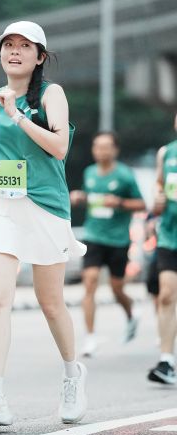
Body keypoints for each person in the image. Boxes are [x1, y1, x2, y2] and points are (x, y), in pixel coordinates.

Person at [0, 20, 88, 428]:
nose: (14, 52)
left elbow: (59, 146)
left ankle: (72, 375)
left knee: (50, 302)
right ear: (0, 52)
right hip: (2, 202)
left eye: (24, 46)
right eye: (8, 45)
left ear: (40, 56)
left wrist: (17, 115)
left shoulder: (51, 94)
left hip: (46, 204)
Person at [70, 132, 145, 357]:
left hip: (118, 239)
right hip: (94, 236)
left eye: (106, 147)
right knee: (90, 282)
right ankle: (90, 337)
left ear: (115, 150)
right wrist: (80, 198)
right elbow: (92, 199)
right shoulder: (89, 172)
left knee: (116, 288)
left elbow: (141, 204)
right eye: (97, 147)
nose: (101, 151)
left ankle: (131, 313)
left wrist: (119, 202)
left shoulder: (124, 175)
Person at [148, 113, 177, 385]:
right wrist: (157, 200)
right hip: (170, 235)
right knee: (166, 294)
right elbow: (160, 184)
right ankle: (166, 361)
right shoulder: (166, 153)